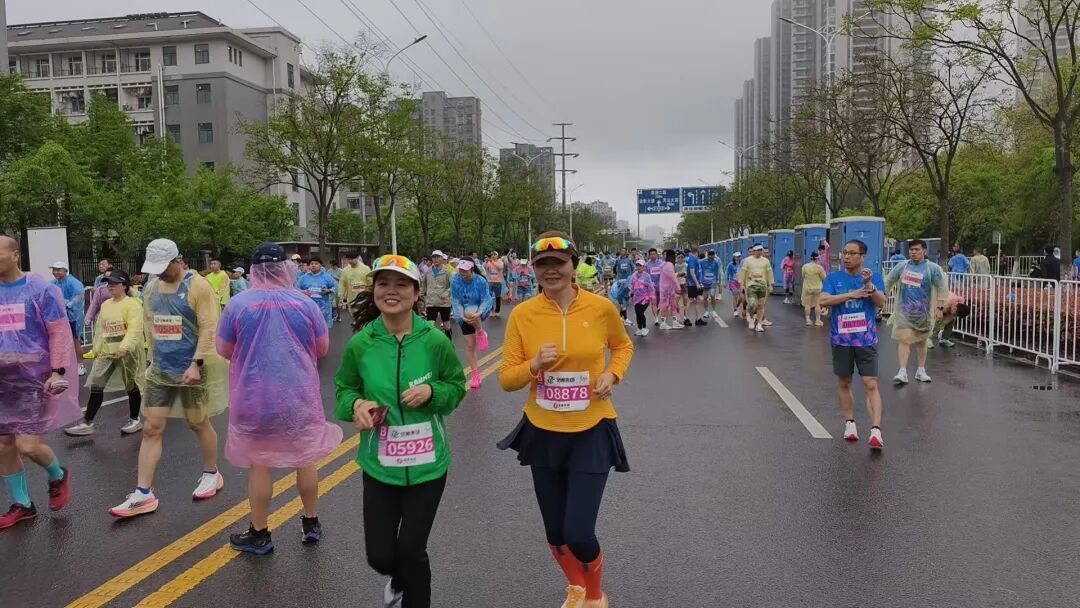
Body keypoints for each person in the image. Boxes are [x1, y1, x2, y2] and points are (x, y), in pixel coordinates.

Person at [498, 231, 634, 608]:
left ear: (574, 264)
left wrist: (612, 374)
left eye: (558, 262)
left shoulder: (600, 308)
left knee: (579, 532)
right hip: (543, 432)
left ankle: (595, 596)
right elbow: (507, 379)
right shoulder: (523, 315)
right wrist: (533, 365)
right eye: (542, 264)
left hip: (591, 430)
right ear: (533, 269)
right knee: (555, 532)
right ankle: (576, 586)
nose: (551, 270)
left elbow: (622, 346)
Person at [335, 254, 466, 608]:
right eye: (383, 284)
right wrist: (356, 405)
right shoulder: (361, 344)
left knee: (411, 549)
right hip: (379, 468)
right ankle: (399, 576)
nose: (391, 291)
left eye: (401, 284)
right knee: (380, 556)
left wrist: (433, 392)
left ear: (416, 293)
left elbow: (457, 386)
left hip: (428, 467)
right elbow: (344, 389)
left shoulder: (434, 341)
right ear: (374, 290)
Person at [218, 243, 343, 555]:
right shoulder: (304, 303)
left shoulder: (239, 304)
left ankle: (259, 533)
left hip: (255, 396)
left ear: (253, 269)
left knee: (260, 463)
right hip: (298, 395)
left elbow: (224, 349)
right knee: (305, 457)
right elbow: (322, 349)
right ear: (285, 268)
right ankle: (311, 523)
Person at [108, 238, 229, 519]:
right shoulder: (151, 287)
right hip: (161, 369)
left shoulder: (198, 286)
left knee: (197, 423)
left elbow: (209, 327)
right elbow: (151, 324)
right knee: (152, 428)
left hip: (192, 368)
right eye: (156, 268)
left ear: (179, 260)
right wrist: (149, 359)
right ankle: (143, 493)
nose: (160, 273)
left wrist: (197, 363)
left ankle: (212, 473)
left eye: (164, 267)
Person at [0, 236, 79, 530]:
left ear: (15, 255)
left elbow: (58, 332)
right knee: (3, 445)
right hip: (2, 380)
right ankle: (23, 505)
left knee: (28, 445)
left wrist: (58, 371)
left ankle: (57, 474)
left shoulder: (40, 289)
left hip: (32, 378)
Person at [818, 239, 888, 449]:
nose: (846, 257)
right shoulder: (833, 278)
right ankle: (850, 424)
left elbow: (881, 302)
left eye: (852, 253)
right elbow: (823, 300)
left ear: (862, 257)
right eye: (845, 253)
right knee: (844, 382)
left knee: (871, 383)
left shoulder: (873, 277)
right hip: (841, 340)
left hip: (866, 339)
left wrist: (868, 286)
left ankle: (876, 430)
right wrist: (851, 294)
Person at [64, 269, 145, 436]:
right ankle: (87, 422)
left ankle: (135, 419)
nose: (110, 286)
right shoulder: (106, 305)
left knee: (131, 385)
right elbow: (101, 329)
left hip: (127, 353)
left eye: (114, 283)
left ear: (124, 286)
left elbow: (135, 328)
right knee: (96, 384)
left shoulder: (133, 304)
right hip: (107, 353)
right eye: (108, 283)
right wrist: (97, 348)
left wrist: (125, 347)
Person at [885, 239, 947, 384]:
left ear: (924, 251)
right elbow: (888, 281)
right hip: (904, 312)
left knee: (921, 341)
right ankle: (902, 371)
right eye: (911, 249)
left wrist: (939, 308)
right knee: (904, 339)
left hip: (923, 313)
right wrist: (882, 298)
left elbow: (941, 288)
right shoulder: (902, 266)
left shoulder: (932, 268)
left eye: (917, 249)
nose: (913, 252)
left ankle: (921, 370)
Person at [451, 260, 493, 389]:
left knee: (470, 312)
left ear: (472, 269)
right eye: (460, 269)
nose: (462, 272)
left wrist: (479, 313)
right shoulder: (455, 280)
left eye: (465, 270)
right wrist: (461, 316)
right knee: (470, 345)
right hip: (463, 311)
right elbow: (456, 301)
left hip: (480, 309)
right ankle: (475, 375)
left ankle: (480, 332)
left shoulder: (480, 281)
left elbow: (485, 299)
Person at [50, 261, 87, 377]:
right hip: (59, 316)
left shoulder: (73, 281)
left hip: (72, 316)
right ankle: (62, 366)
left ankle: (80, 365)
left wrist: (69, 304)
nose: (55, 272)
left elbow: (79, 295)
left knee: (75, 340)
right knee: (58, 341)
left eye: (58, 270)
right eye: (54, 270)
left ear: (65, 270)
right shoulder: (53, 283)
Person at [739, 245, 775, 332]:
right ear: (754, 251)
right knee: (752, 304)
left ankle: (759, 324)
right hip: (751, 286)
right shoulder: (748, 261)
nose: (760, 252)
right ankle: (752, 318)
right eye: (758, 250)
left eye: (760, 250)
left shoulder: (765, 261)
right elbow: (743, 272)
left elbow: (769, 273)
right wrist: (742, 284)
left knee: (761, 305)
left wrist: (770, 284)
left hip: (762, 286)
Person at [297, 257, 338, 329]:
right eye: (312, 264)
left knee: (323, 329)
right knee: (310, 328)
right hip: (308, 307)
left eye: (316, 264)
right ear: (309, 265)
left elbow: (335, 286)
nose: (313, 265)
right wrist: (303, 292)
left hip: (324, 308)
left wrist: (328, 290)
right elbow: (296, 288)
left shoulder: (326, 276)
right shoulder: (304, 277)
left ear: (321, 265)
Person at [422, 250, 454, 341]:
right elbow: (423, 284)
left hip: (444, 302)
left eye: (438, 257)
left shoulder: (447, 272)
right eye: (434, 257)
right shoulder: (428, 271)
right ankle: (432, 343)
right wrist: (421, 293)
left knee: (446, 325)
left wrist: (447, 292)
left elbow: (453, 285)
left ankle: (448, 341)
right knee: (430, 325)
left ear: (442, 258)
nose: (436, 259)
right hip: (431, 302)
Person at [340, 253, 372, 321]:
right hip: (351, 299)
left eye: (352, 259)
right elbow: (342, 284)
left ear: (357, 258)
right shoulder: (345, 270)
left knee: (363, 318)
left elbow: (371, 283)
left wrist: (370, 293)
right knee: (354, 317)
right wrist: (341, 296)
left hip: (364, 298)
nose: (350, 261)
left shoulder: (366, 268)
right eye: (348, 259)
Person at [629, 259, 655, 336]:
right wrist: (631, 290)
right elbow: (630, 284)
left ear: (644, 267)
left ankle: (644, 328)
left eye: (640, 265)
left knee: (641, 312)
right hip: (636, 297)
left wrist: (651, 296)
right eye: (637, 265)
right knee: (637, 313)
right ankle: (639, 329)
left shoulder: (647, 275)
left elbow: (650, 286)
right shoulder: (634, 275)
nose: (638, 267)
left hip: (645, 297)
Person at [658, 250, 683, 330]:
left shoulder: (663, 264)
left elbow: (668, 275)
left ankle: (675, 322)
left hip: (666, 288)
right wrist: (678, 287)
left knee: (673, 305)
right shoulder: (669, 265)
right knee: (666, 306)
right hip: (667, 289)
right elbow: (672, 277)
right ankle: (663, 323)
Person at [801, 251, 828, 327]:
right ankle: (817, 320)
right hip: (817, 288)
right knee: (817, 305)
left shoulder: (805, 266)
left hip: (807, 288)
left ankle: (808, 320)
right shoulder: (819, 267)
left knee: (807, 305)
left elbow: (803, 275)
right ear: (817, 259)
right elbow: (824, 278)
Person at [684, 246, 705, 326]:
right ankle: (686, 318)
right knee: (691, 300)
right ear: (697, 251)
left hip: (697, 283)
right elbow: (692, 272)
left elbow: (698, 272)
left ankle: (698, 319)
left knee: (699, 299)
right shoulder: (692, 259)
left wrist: (700, 282)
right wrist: (697, 283)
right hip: (692, 284)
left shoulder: (695, 259)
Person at [700, 249, 722, 321]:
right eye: (710, 257)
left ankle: (713, 311)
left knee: (712, 295)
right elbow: (697, 267)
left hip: (713, 281)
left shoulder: (716, 262)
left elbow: (718, 271)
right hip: (704, 282)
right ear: (708, 256)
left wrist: (718, 279)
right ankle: (706, 311)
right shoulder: (702, 261)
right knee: (705, 297)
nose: (711, 258)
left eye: (713, 257)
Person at [485, 251, 506, 318]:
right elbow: (486, 268)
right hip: (490, 281)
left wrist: (492, 262)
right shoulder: (489, 262)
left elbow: (500, 267)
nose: (493, 256)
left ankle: (497, 311)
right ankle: (491, 311)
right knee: (490, 297)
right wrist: (486, 261)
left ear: (497, 256)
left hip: (498, 282)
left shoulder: (500, 262)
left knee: (498, 297)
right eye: (492, 255)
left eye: (495, 254)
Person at [645, 249, 664, 325]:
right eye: (651, 254)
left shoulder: (661, 263)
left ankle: (657, 313)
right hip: (651, 287)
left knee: (659, 302)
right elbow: (646, 275)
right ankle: (656, 318)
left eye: (654, 254)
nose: (653, 255)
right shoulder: (647, 265)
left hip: (660, 286)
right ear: (649, 255)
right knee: (653, 302)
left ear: (656, 255)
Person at [674, 252, 690, 327]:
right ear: (677, 258)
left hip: (684, 284)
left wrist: (677, 274)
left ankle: (686, 317)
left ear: (684, 258)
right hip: (677, 285)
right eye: (679, 257)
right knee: (675, 302)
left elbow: (684, 273)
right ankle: (678, 315)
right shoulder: (675, 266)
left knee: (685, 301)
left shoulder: (686, 265)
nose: (680, 259)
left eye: (681, 257)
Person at [727, 251, 744, 318]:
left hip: (741, 282)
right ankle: (735, 310)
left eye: (739, 256)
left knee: (742, 297)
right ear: (734, 257)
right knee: (735, 296)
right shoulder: (730, 265)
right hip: (733, 282)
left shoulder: (742, 264)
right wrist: (725, 282)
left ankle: (737, 306)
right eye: (737, 256)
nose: (738, 257)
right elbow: (727, 273)